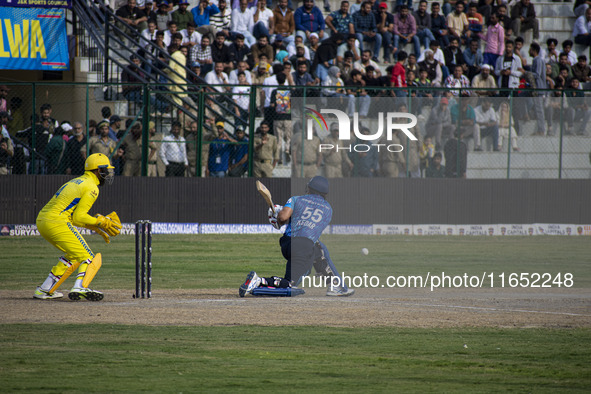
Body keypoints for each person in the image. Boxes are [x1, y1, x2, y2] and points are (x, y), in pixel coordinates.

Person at [239, 176, 354, 297]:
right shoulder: (328, 209)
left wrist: (277, 214)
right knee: (290, 284)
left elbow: (282, 219)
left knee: (320, 250)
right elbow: (310, 228)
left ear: (309, 188)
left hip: (287, 243)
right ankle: (258, 281)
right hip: (304, 246)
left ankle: (336, 285)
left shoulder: (296, 199)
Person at [33, 153, 121, 300]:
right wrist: (101, 222)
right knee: (89, 258)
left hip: (43, 221)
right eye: (106, 170)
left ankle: (45, 289)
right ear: (98, 170)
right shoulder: (92, 187)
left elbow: (75, 218)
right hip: (57, 222)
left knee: (74, 256)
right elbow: (79, 217)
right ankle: (80, 287)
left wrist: (95, 228)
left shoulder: (77, 181)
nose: (108, 173)